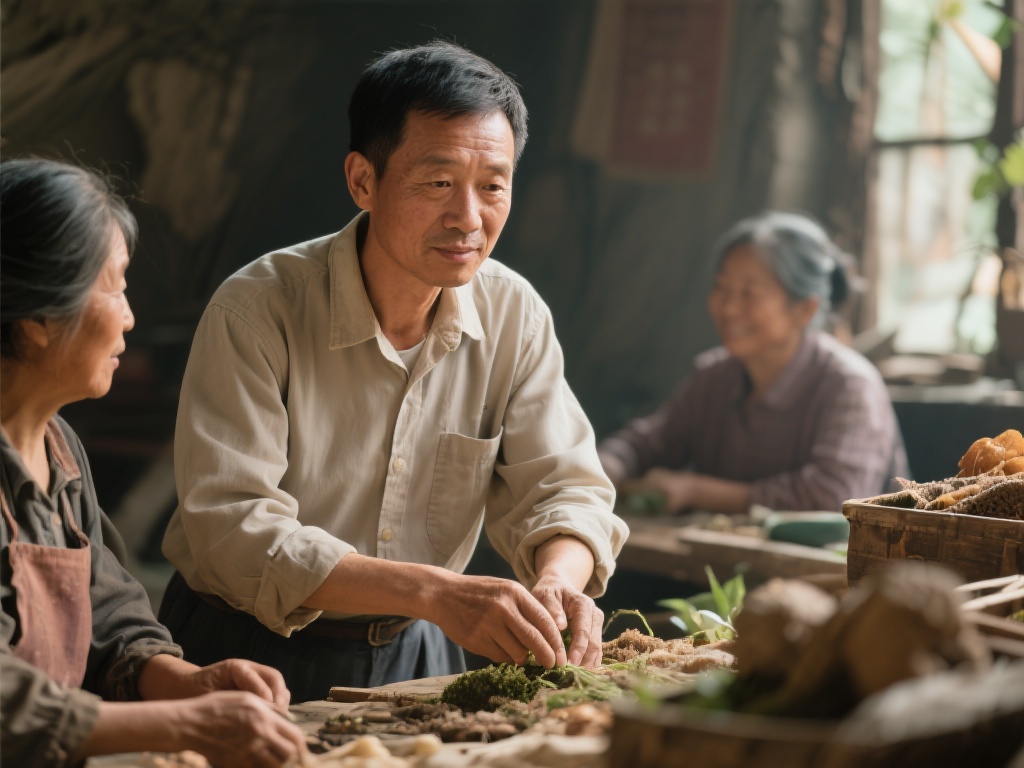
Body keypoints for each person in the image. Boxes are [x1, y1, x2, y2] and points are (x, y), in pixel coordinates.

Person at [158, 40, 629, 703]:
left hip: (418, 650)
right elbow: (233, 530)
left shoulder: (514, 314)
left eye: (493, 185)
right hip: (243, 651)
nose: (469, 218)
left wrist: (557, 581)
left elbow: (565, 488)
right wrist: (436, 590)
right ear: (362, 181)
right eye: (438, 183)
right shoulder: (258, 308)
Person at [0, 158, 307, 767]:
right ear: (37, 319)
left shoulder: (58, 447)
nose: (130, 317)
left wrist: (181, 679)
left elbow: (109, 606)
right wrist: (181, 722)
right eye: (113, 286)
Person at [599, 211, 909, 515]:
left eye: (750, 294)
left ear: (804, 309)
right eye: (721, 288)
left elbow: (835, 498)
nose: (729, 308)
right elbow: (645, 445)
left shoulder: (850, 384)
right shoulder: (714, 377)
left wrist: (695, 490)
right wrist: (600, 471)